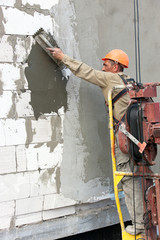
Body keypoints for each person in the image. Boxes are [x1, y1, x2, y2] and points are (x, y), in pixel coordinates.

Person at [47, 47, 144, 235]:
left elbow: (86, 72)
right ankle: (146, 218)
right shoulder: (129, 82)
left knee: (128, 180)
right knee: (137, 179)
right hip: (136, 139)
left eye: (106, 65)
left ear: (116, 66)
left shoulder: (111, 79)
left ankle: (139, 224)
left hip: (125, 139)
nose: (103, 68)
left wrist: (63, 57)